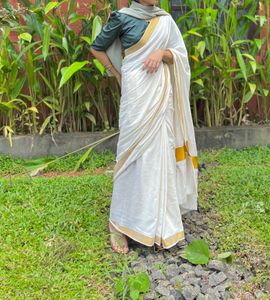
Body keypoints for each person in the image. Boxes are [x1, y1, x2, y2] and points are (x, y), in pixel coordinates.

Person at [90, 0, 199, 254]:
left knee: (159, 153)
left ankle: (160, 223)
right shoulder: (122, 17)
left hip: (160, 96)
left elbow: (179, 54)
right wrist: (116, 74)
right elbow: (97, 47)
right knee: (130, 156)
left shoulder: (165, 20)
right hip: (136, 93)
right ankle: (118, 222)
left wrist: (161, 53)